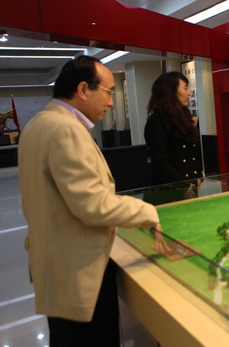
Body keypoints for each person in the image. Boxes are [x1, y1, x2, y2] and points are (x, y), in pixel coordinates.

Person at [18, 55, 169, 347]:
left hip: (54, 264)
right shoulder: (66, 129)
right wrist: (147, 211)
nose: (112, 102)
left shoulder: (38, 123)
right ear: (83, 89)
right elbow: (92, 204)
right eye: (109, 92)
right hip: (77, 270)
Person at [144, 72, 203, 198]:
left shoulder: (184, 117)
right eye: (185, 88)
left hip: (191, 188)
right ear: (171, 92)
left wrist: (198, 177)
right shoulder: (156, 121)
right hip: (170, 191)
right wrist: (184, 185)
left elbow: (193, 153)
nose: (189, 93)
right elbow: (161, 164)